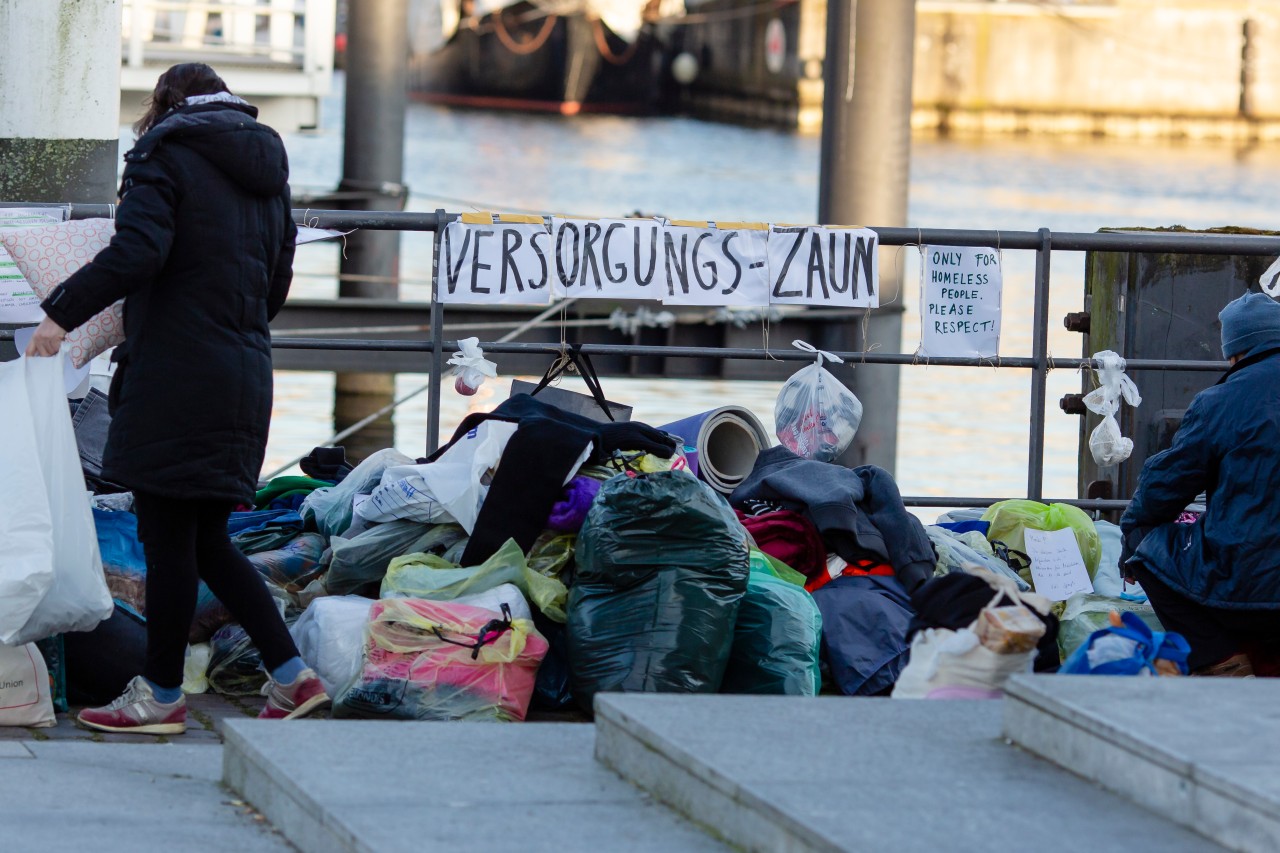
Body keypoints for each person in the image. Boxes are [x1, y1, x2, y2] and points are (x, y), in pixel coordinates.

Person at [25, 63, 329, 732]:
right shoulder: (268, 170)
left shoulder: (162, 157)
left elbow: (137, 251)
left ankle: (161, 694)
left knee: (167, 541)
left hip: (175, 378)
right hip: (244, 373)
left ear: (164, 105)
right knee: (209, 541)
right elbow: (275, 286)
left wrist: (60, 313)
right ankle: (292, 673)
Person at [1119, 290, 1280, 677]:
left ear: (1235, 353)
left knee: (1147, 547)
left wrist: (1131, 532)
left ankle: (1219, 659)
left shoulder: (1221, 401)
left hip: (1252, 587)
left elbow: (1163, 487)